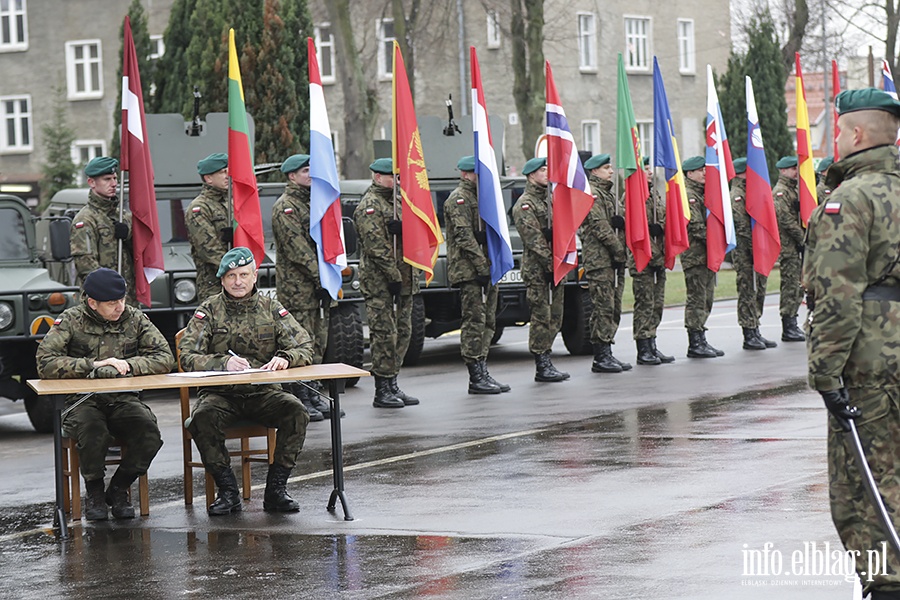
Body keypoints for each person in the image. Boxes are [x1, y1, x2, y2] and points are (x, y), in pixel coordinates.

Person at [803, 87, 900, 599]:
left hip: (870, 359)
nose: (835, 139)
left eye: (839, 130)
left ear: (856, 135)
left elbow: (838, 298)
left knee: (863, 485)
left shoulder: (849, 200)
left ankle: (887, 583)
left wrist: (824, 372)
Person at [179, 247, 313, 516]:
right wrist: (222, 363)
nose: (237, 282)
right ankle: (228, 492)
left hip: (263, 394)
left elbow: (305, 346)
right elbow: (186, 355)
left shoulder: (271, 309)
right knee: (202, 418)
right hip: (221, 395)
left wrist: (286, 358)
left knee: (297, 412)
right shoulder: (209, 310)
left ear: (254, 277)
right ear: (222, 280)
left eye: (243, 275)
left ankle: (276, 490)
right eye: (231, 276)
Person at [35, 268, 174, 521]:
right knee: (93, 431)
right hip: (81, 400)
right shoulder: (71, 320)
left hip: (123, 398)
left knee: (149, 433)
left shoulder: (134, 318)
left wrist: (129, 365)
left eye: (122, 300)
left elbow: (165, 357)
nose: (119, 307)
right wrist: (93, 366)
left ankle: (119, 488)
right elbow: (45, 362)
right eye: (111, 304)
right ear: (92, 303)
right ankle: (95, 491)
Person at [353, 158, 421, 408]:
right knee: (385, 335)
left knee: (403, 332)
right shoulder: (369, 205)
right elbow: (376, 247)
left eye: (398, 177)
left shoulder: (399, 202)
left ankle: (393, 382)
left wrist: (405, 230)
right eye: (392, 177)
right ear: (377, 177)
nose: (397, 181)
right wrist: (393, 275)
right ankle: (382, 389)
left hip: (404, 279)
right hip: (382, 282)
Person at [272, 153, 335, 421]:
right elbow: (297, 250)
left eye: (312, 169)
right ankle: (299, 395)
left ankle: (313, 392)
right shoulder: (286, 207)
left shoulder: (317, 203)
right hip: (298, 289)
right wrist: (321, 278)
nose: (310, 174)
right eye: (305, 170)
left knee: (318, 342)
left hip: (317, 287)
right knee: (300, 343)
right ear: (291, 176)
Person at [443, 155, 509, 395]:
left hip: (486, 269)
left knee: (489, 321)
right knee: (474, 321)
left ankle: (483, 367)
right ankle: (475, 374)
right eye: (477, 174)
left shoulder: (482, 198)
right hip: (469, 271)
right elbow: (464, 237)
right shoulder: (458, 199)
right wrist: (482, 266)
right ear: (465, 174)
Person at [511, 157, 569, 382]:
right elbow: (533, 239)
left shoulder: (551, 200)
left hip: (555, 267)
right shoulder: (525, 204)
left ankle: (548, 356)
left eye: (548, 169)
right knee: (541, 316)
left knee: (556, 316)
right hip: (538, 270)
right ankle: (541, 363)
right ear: (530, 175)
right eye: (542, 170)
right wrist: (549, 264)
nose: (547, 173)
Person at [581, 153, 632, 373]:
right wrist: (619, 251)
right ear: (594, 171)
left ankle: (607, 350)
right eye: (606, 168)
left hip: (613, 259)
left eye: (611, 167)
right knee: (603, 307)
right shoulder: (592, 194)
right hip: (601, 260)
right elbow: (600, 228)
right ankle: (600, 356)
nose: (611, 171)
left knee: (614, 306)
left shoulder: (608, 194)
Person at [70, 157, 137, 304]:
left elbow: (140, 256)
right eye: (107, 179)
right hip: (102, 301)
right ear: (92, 183)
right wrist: (113, 291)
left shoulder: (123, 216)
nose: (113, 184)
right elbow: (86, 265)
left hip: (128, 299)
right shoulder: (86, 219)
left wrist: (129, 236)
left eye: (115, 178)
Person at [630, 157, 674, 364]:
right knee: (645, 304)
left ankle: (652, 343)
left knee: (657, 304)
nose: (649, 172)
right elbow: (633, 227)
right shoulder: (631, 196)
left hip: (659, 257)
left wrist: (663, 227)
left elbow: (663, 218)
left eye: (649, 168)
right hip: (643, 259)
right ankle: (643, 348)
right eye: (645, 168)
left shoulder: (653, 194)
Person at [730, 157, 775, 351]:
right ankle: (749, 333)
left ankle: (756, 328)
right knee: (748, 289)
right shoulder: (737, 195)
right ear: (742, 172)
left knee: (759, 289)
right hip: (744, 252)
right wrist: (755, 248)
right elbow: (741, 228)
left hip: (755, 250)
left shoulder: (751, 192)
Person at [681, 155, 723, 358]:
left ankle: (701, 338)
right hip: (695, 256)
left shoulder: (703, 194)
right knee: (697, 299)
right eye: (700, 170)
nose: (705, 173)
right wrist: (717, 243)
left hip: (706, 255)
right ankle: (695, 342)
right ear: (690, 174)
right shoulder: (689, 195)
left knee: (706, 298)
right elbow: (696, 227)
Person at [186, 153, 231, 302]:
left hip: (237, 282)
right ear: (208, 178)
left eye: (228, 170)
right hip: (214, 284)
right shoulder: (199, 208)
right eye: (222, 172)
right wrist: (233, 271)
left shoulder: (231, 203)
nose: (227, 175)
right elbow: (209, 249)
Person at [772, 155, 806, 342]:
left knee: (797, 286)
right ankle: (788, 325)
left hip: (796, 245)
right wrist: (803, 238)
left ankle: (793, 321)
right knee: (790, 285)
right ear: (783, 171)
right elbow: (784, 219)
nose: (796, 172)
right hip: (788, 245)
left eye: (796, 168)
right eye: (792, 169)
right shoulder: (781, 191)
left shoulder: (794, 190)